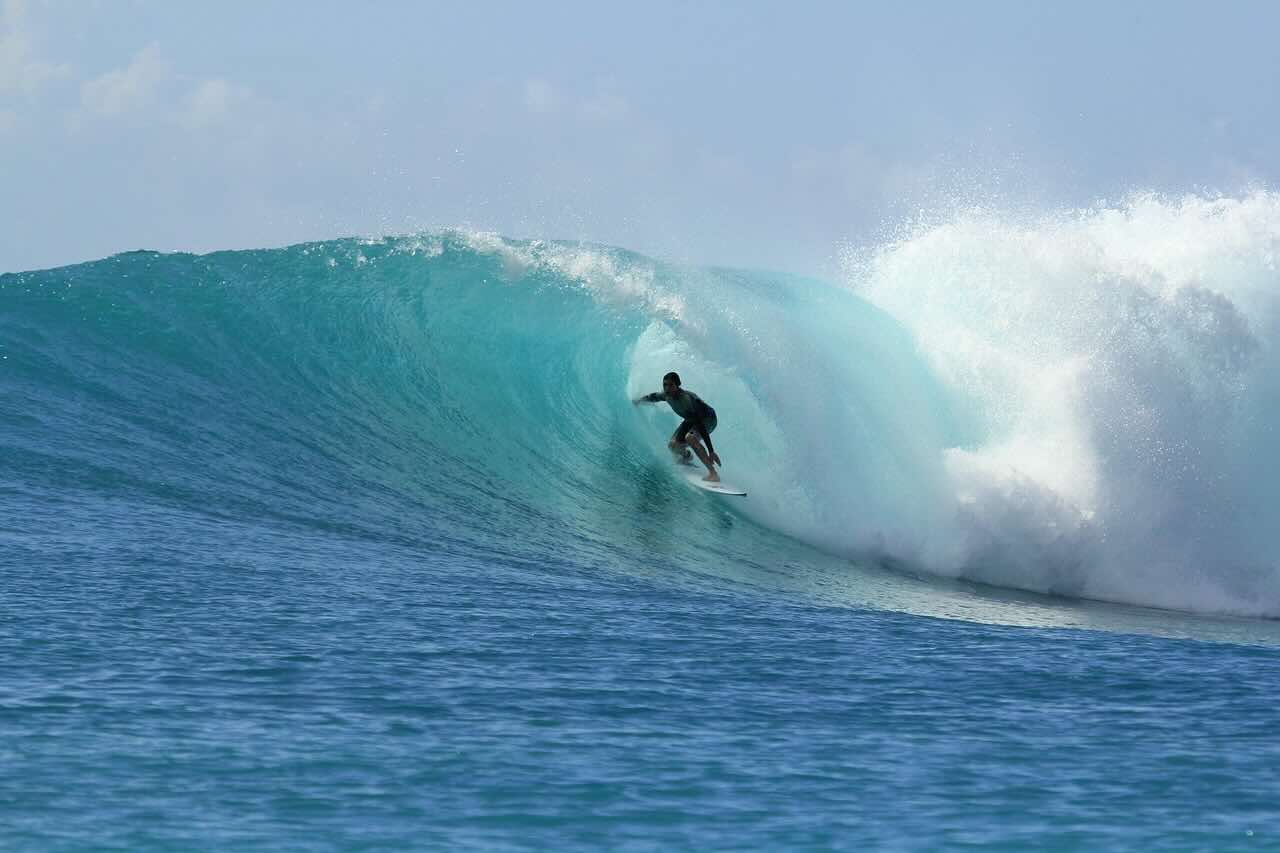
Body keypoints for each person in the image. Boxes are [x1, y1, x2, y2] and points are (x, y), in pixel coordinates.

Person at [633, 371, 723, 482]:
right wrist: (638, 401)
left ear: (678, 385)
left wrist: (711, 451)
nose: (667, 388)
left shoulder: (687, 399)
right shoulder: (666, 395)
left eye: (671, 385)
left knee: (690, 438)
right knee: (672, 445)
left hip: (708, 419)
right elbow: (653, 397)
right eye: (665, 385)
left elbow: (700, 424)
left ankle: (713, 474)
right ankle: (687, 456)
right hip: (691, 419)